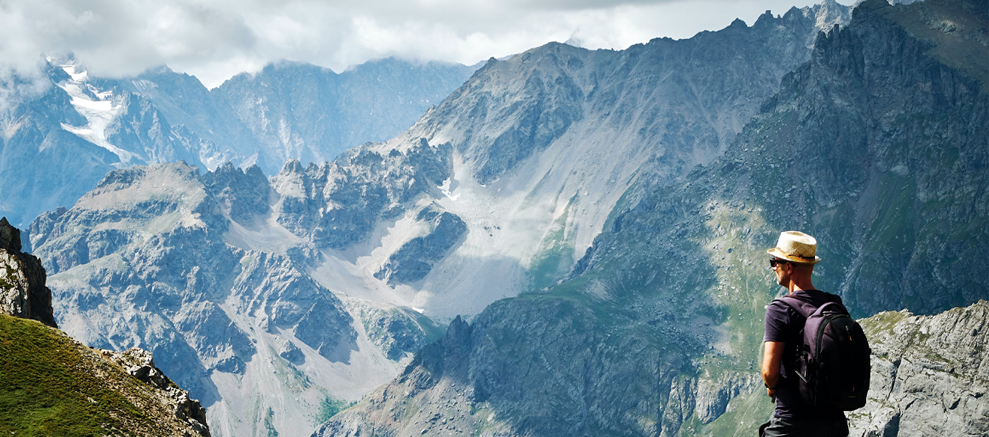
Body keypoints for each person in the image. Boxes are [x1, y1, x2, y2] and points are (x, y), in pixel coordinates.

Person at [759, 231, 848, 437]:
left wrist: (771, 386)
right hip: (833, 422)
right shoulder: (834, 304)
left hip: (792, 421)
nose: (773, 268)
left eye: (775, 262)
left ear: (789, 267)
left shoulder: (780, 309)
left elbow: (769, 372)